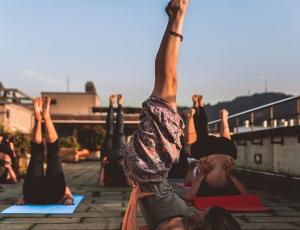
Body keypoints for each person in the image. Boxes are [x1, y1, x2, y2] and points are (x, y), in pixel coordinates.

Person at [182, 95, 247, 200]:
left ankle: (224, 119)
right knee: (188, 146)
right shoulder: (203, 188)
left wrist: (232, 176)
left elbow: (246, 196)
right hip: (206, 153)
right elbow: (187, 197)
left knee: (226, 142)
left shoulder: (226, 186)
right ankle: (189, 117)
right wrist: (201, 175)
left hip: (228, 151)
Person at [15, 97, 73, 205]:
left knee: (53, 153)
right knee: (36, 153)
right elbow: (67, 193)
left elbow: (66, 190)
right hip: (34, 195)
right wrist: (68, 198)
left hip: (44, 195)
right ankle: (41, 118)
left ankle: (45, 117)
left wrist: (67, 194)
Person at [98, 94, 128, 187]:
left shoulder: (111, 181)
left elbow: (100, 184)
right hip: (118, 156)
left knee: (114, 129)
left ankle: (115, 104)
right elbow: (130, 184)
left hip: (109, 156)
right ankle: (116, 104)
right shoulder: (120, 182)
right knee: (116, 129)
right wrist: (125, 166)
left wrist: (102, 167)